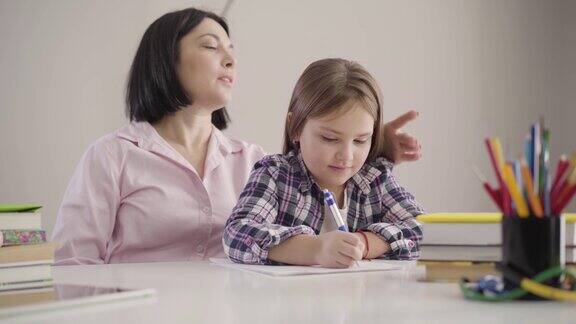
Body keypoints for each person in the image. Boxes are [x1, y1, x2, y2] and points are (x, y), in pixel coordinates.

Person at [51, 8, 422, 265]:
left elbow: (320, 173)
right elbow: (73, 263)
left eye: (232, 50)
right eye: (212, 46)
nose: (229, 60)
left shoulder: (252, 160)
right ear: (164, 61)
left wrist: (371, 149)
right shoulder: (113, 156)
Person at [223, 58, 424, 268]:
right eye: (329, 138)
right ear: (295, 127)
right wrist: (315, 249)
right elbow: (236, 234)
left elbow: (427, 232)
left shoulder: (375, 180)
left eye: (360, 140)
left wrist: (365, 243)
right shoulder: (275, 175)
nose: (346, 155)